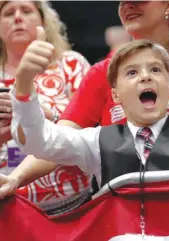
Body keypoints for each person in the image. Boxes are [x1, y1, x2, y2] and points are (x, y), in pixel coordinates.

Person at [0, 0, 169, 196]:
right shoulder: (103, 73)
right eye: (123, 1)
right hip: (122, 218)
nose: (129, 5)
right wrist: (16, 178)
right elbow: (58, 139)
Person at [0, 1, 92, 216]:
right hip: (8, 206)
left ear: (43, 21)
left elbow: (92, 123)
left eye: (27, 11)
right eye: (8, 13)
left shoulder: (71, 64)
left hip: (75, 203)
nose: (18, 18)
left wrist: (36, 111)